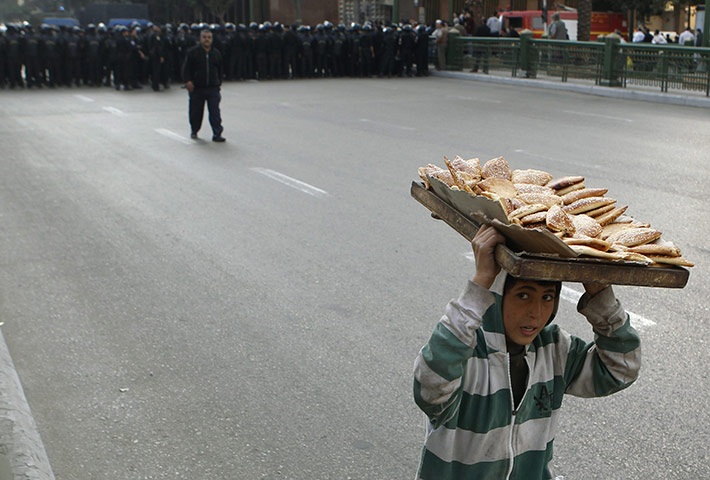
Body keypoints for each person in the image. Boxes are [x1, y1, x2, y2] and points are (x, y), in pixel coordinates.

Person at [413, 225, 641, 479]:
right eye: (523, 295)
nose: (536, 313)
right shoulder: (467, 351)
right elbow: (431, 388)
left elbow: (621, 369)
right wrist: (480, 283)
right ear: (498, 295)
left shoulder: (554, 350)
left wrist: (599, 294)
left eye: (547, 297)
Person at [182, 28, 225, 142]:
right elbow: (186, 69)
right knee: (196, 111)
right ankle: (194, 130)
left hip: (213, 88)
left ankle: (217, 133)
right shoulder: (193, 53)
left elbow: (220, 69)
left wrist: (218, 82)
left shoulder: (216, 53)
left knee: (215, 112)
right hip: (197, 88)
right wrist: (188, 81)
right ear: (200, 39)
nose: (207, 40)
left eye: (209, 38)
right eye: (204, 37)